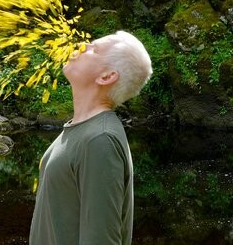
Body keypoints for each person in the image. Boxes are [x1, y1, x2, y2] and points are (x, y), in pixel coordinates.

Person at [29, 30, 153, 245]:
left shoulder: (100, 140)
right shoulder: (83, 129)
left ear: (106, 77)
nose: (83, 46)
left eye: (95, 49)